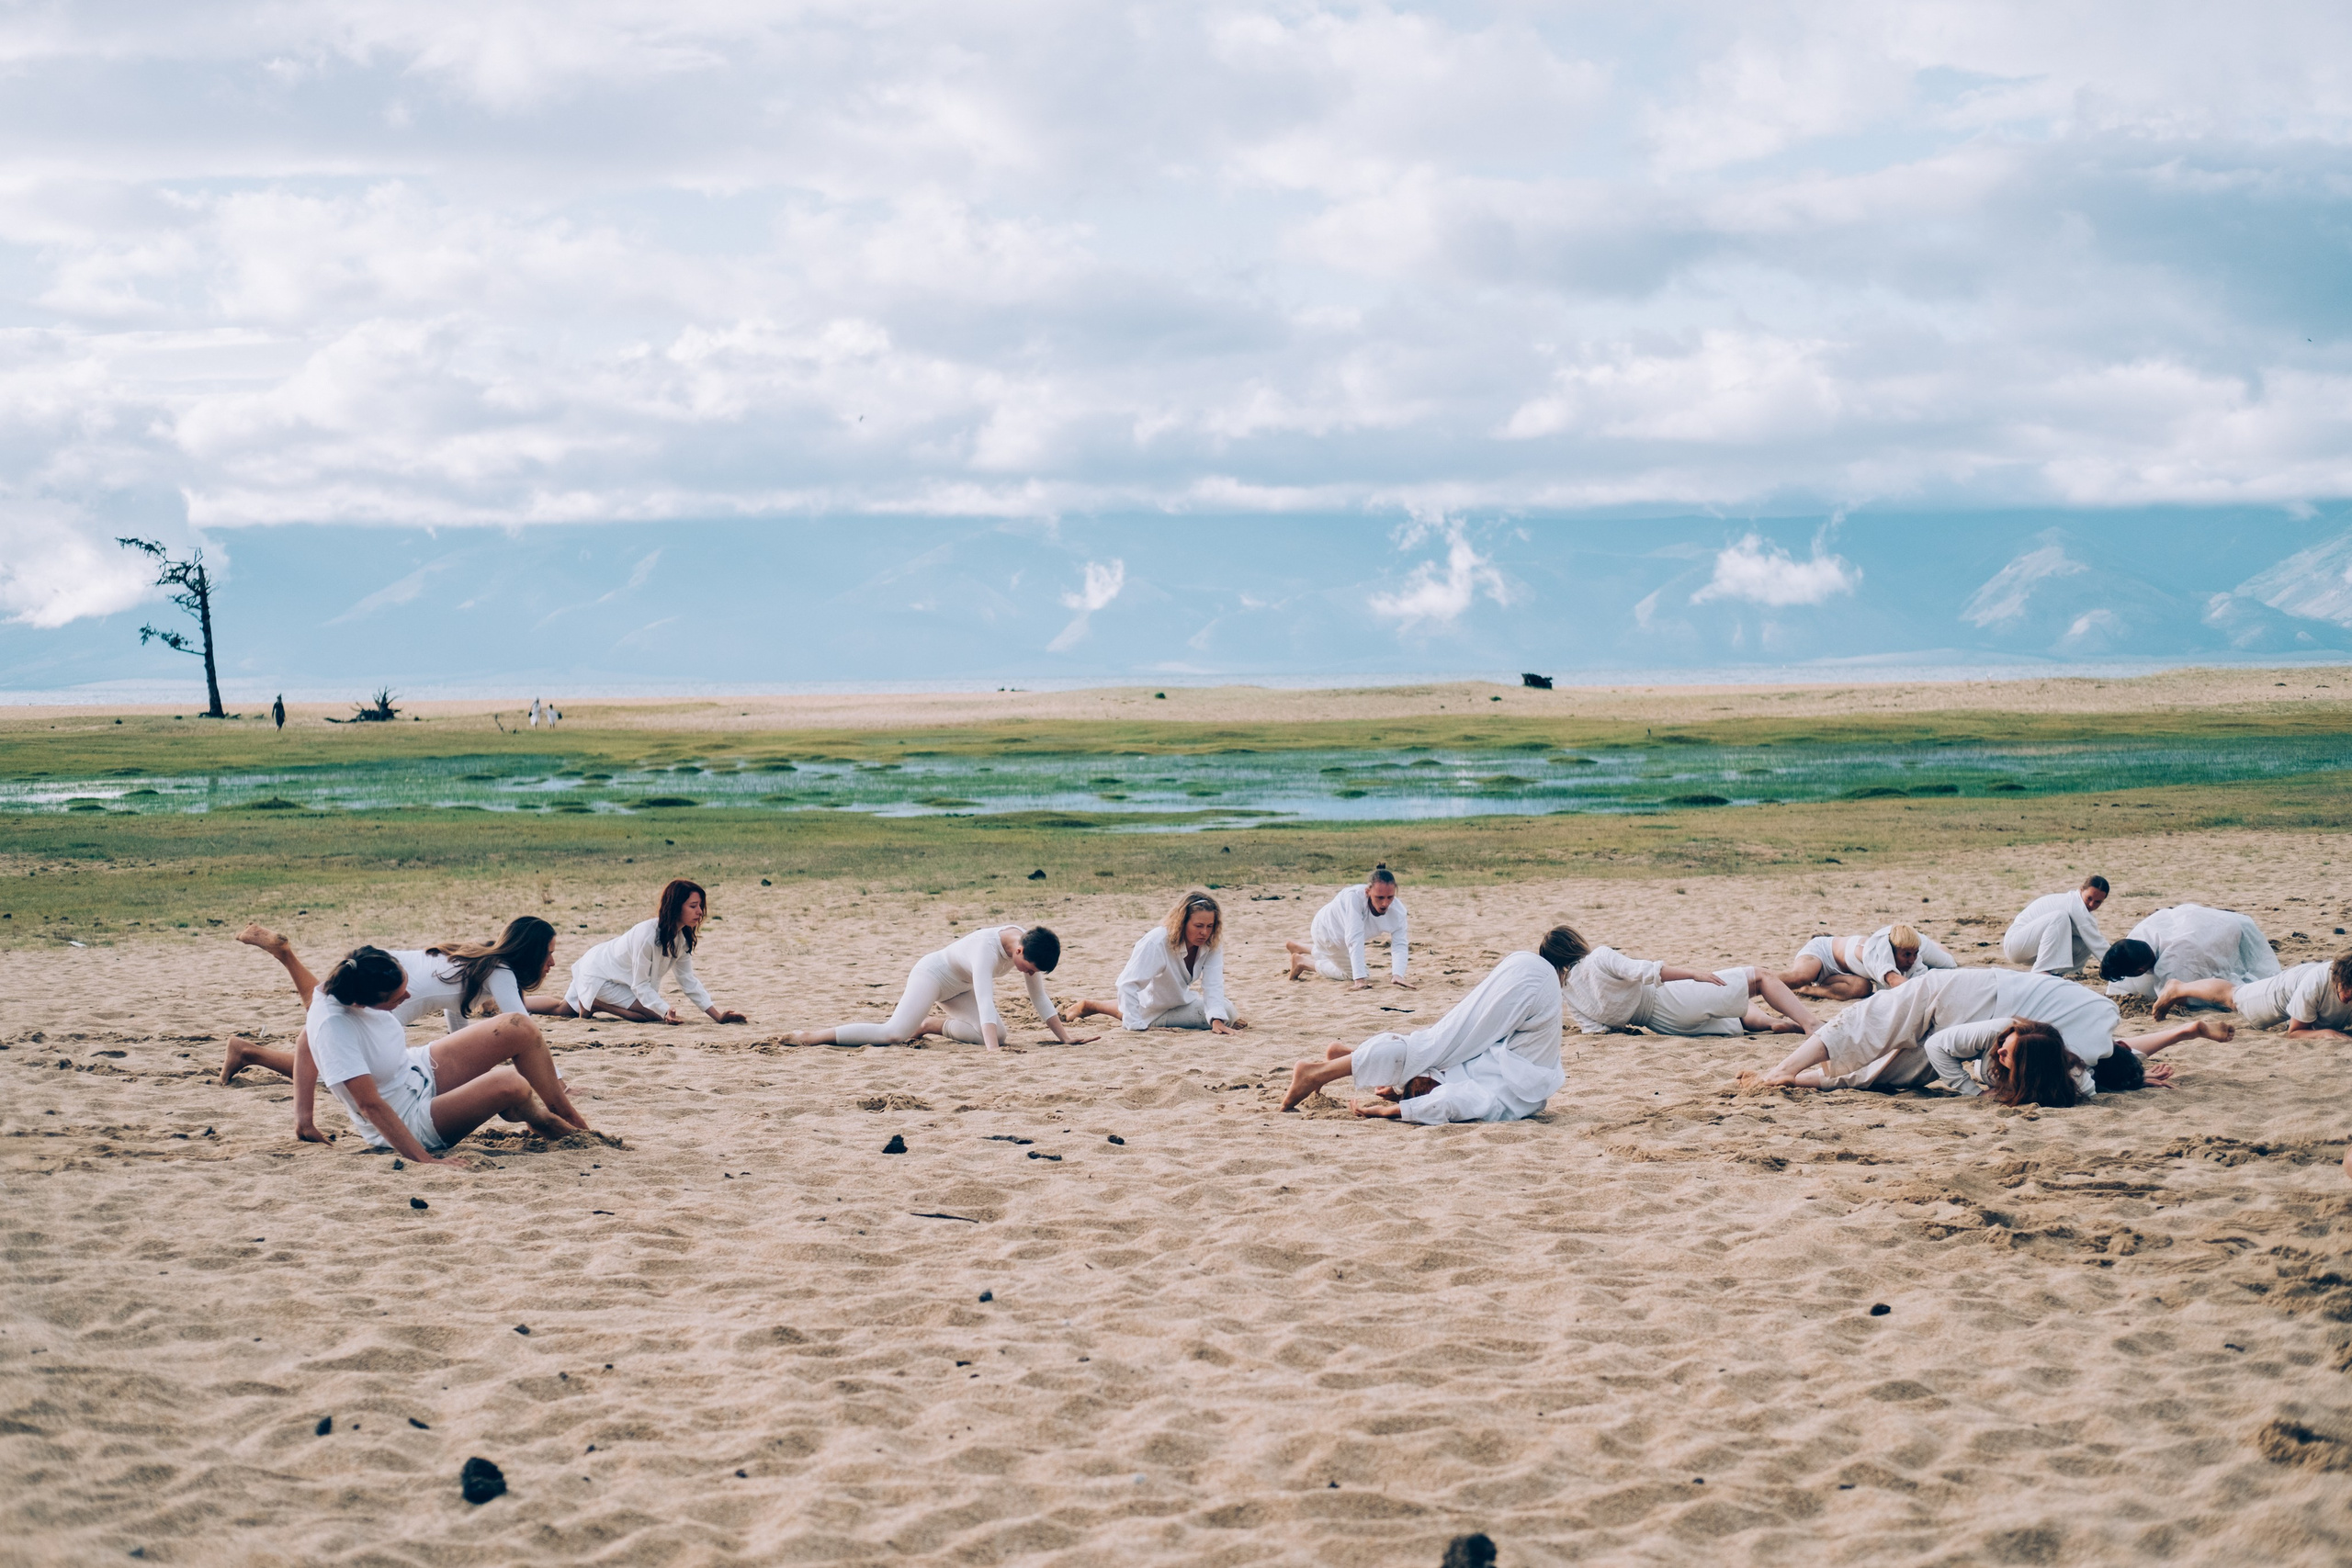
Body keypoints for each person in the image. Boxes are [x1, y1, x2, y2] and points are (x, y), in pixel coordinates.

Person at [225, 917, 563, 1143]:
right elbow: (524, 1022)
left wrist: (461, 1055)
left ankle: (283, 965)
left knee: (320, 1008)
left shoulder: (479, 956)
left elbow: (458, 1014)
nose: (552, 963)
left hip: (383, 967)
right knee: (336, 1054)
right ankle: (252, 1047)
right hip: (389, 993)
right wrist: (556, 1078)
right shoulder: (499, 971)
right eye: (548, 954)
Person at [1748, 964, 2229, 1099]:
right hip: (1983, 999)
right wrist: (2139, 1071)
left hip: (1990, 1001)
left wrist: (2142, 1069)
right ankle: (1780, 1073)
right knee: (1870, 1028)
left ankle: (1791, 1078)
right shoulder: (2078, 1054)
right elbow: (2117, 1055)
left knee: (1889, 1071)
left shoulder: (2096, 1041)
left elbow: (2123, 1050)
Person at [299, 946, 594, 1161]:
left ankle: (562, 1110)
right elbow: (370, 1106)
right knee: (511, 1083)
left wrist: (304, 1119)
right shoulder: (333, 1025)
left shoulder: (338, 985)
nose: (408, 996)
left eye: (405, 985)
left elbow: (303, 1038)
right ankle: (537, 1118)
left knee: (518, 1026)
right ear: (362, 1002)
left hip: (416, 1069)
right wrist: (426, 1163)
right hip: (406, 1118)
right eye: (398, 997)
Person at [1279, 929, 1576, 1122]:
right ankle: (1318, 1072)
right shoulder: (1491, 1099)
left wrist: (1396, 1101)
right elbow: (1446, 1102)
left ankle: (1348, 1060)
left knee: (1430, 1047)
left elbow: (1449, 1089)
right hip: (1528, 995)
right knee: (1429, 1047)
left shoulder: (1498, 1094)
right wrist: (1390, 1111)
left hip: (1526, 985)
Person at [787, 924, 1096, 1049]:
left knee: (999, 1035)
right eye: (1028, 969)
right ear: (1018, 952)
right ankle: (811, 1037)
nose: (1028, 974)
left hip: (959, 989)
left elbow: (1040, 998)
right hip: (933, 976)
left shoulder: (1030, 946)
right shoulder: (985, 951)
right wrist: (992, 1054)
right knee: (893, 1034)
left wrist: (1065, 1039)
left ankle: (931, 1026)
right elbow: (987, 1002)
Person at [550, 880, 747, 1024]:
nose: (700, 912)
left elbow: (688, 980)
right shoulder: (647, 936)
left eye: (700, 907)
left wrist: (718, 1016)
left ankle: (522, 1002)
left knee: (562, 1009)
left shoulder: (681, 939)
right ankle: (595, 1005)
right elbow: (640, 984)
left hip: (606, 972)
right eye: (693, 906)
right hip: (597, 972)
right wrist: (664, 1010)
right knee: (651, 1016)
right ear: (675, 907)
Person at [1562, 930, 1819, 1036]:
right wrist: (1693, 974)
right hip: (1669, 998)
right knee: (1761, 977)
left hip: (1664, 1025)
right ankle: (1811, 1024)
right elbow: (1646, 972)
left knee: (1735, 1015)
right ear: (1575, 943)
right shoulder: (1598, 958)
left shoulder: (1569, 992)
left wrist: (1628, 1030)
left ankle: (1775, 1023)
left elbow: (1595, 1030)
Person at [1059, 891, 1244, 1033]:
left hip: (1180, 1001)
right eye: (1198, 926)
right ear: (1183, 922)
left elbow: (1213, 983)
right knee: (1226, 1011)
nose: (1204, 932)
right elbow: (1127, 983)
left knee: (1226, 1013)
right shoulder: (1157, 942)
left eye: (1210, 926)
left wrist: (1217, 1021)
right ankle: (1092, 1005)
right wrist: (1136, 1027)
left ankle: (1093, 1005)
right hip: (1149, 1007)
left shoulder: (1210, 942)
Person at [2098, 903, 2279, 1001]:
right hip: (2201, 918)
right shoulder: (2137, 938)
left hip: (2224, 929)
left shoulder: (2175, 964)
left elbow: (2180, 997)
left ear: (2139, 971)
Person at [2154, 951, 2352, 1036]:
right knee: (2233, 997)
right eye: (2345, 992)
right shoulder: (2316, 983)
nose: (2347, 998)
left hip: (2304, 986)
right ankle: (2178, 988)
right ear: (2338, 981)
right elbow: (2295, 1033)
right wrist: (2329, 1034)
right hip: (2284, 989)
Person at [1286, 865, 1413, 988]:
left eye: (1390, 897)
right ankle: (1303, 962)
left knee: (1339, 955)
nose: (1385, 903)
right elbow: (1354, 938)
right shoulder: (1353, 898)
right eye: (1379, 897)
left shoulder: (1398, 911)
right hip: (1326, 932)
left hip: (1341, 938)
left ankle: (1299, 947)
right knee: (1355, 973)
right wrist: (1359, 980)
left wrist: (1398, 975)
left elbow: (1400, 944)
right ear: (1367, 892)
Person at [1781, 923, 1958, 999]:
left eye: (1915, 954)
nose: (1912, 960)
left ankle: (1810, 990)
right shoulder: (1878, 952)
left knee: (1863, 988)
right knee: (1799, 977)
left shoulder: (1914, 956)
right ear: (1892, 952)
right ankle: (1759, 979)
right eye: (1906, 955)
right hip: (1824, 952)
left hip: (1843, 974)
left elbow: (1923, 980)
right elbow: (1896, 982)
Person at [2003, 875, 2111, 974]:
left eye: (2098, 902)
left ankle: (2067, 974)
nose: (2091, 904)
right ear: (2081, 890)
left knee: (2085, 942)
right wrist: (2120, 964)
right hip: (2015, 944)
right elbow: (2099, 945)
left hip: (2032, 948)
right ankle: (2041, 972)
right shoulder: (2074, 904)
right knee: (2060, 917)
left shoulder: (2083, 912)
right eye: (2089, 898)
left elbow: (2095, 942)